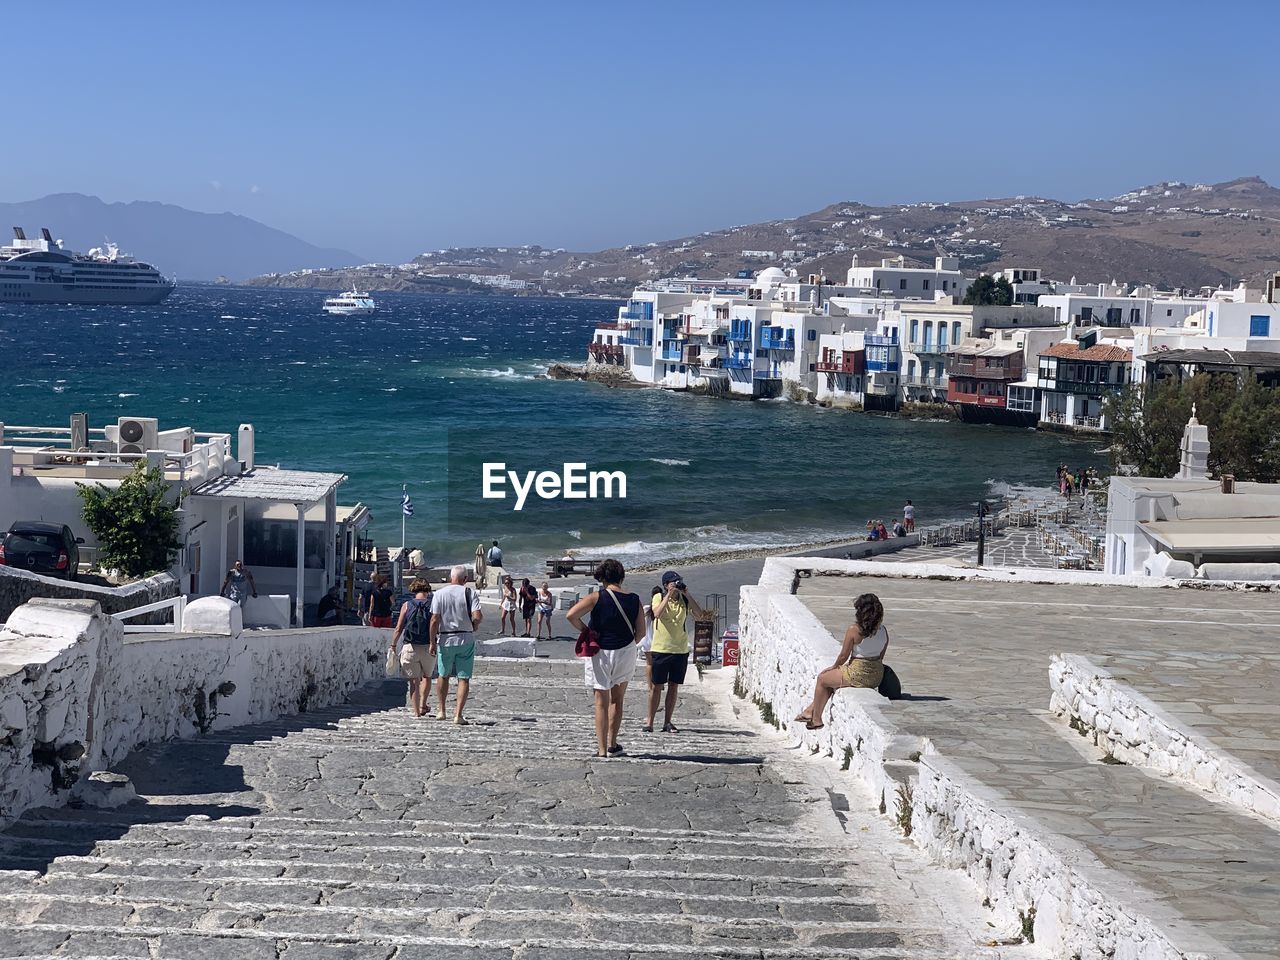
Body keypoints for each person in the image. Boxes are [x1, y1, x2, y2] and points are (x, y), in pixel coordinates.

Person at [567, 558, 644, 759]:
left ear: (602, 577)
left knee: (601, 701)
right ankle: (613, 744)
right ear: (622, 577)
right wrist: (627, 643)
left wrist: (587, 630)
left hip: (601, 652)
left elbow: (571, 615)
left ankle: (601, 750)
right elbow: (641, 633)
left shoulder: (596, 597)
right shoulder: (634, 599)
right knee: (618, 700)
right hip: (626, 650)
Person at [793, 593, 887, 730]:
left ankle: (816, 719)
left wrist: (834, 667)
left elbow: (844, 655)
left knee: (822, 678)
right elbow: (881, 655)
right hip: (876, 676)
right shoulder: (883, 630)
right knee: (832, 682)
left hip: (858, 673)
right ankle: (809, 711)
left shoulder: (854, 630)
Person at [645, 570, 711, 734]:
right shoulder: (658, 597)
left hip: (680, 650)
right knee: (656, 686)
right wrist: (668, 595)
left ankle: (668, 721)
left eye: (678, 581)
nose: (676, 584)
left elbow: (699, 614)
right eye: (673, 582)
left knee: (673, 686)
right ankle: (650, 722)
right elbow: (657, 613)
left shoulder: (684, 600)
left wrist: (687, 594)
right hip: (661, 648)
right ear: (666, 585)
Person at [431, 565, 483, 724]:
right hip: (465, 639)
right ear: (465, 579)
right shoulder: (469, 593)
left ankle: (441, 710)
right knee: (463, 678)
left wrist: (432, 641)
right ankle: (458, 715)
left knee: (443, 674)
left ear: (450, 577)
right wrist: (474, 626)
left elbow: (434, 620)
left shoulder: (439, 594)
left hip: (446, 639)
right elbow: (477, 616)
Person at [390, 579, 435, 717]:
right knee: (427, 677)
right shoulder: (433, 605)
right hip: (428, 646)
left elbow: (398, 628)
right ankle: (423, 705)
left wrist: (393, 644)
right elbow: (436, 624)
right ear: (427, 590)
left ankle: (415, 712)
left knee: (413, 681)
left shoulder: (406, 605)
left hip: (410, 646)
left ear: (413, 590)